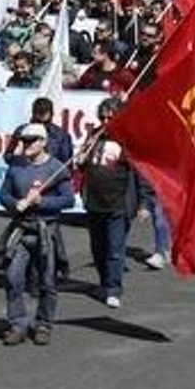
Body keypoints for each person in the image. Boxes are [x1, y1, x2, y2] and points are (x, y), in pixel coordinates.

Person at [0, 124, 74, 346]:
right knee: (13, 277)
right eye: (24, 140)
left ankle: (43, 323)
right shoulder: (16, 167)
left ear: (43, 142)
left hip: (46, 231)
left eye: (31, 141)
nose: (26, 145)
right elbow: (3, 194)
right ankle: (17, 323)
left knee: (47, 280)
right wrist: (14, 204)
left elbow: (68, 200)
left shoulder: (57, 169)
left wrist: (42, 201)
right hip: (21, 229)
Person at [79, 97, 132, 309]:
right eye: (103, 116)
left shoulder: (127, 139)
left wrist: (143, 203)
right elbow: (83, 165)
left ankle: (114, 289)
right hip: (93, 201)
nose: (107, 120)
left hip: (117, 202)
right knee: (98, 247)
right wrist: (82, 157)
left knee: (115, 249)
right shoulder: (94, 135)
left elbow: (139, 172)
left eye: (111, 116)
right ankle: (103, 281)